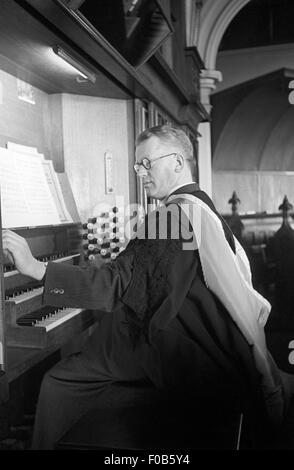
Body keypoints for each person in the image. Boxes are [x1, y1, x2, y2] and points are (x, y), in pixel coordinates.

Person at [2, 125, 293, 450]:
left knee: (59, 380)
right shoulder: (200, 204)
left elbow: (116, 285)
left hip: (185, 352)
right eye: (137, 165)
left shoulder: (171, 215)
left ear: (178, 163)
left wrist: (37, 268)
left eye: (147, 163)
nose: (140, 172)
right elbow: (154, 273)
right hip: (212, 343)